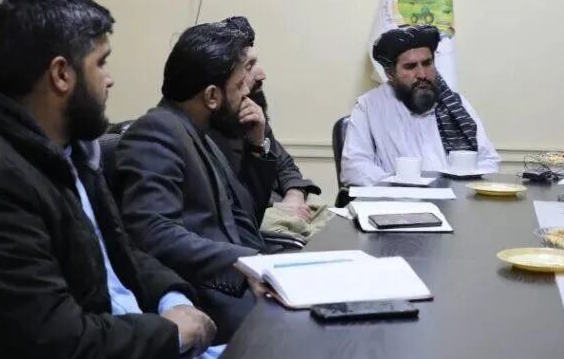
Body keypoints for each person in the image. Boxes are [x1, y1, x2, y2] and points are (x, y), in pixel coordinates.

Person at [0, 0, 219, 359]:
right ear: (61, 74)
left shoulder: (65, 152)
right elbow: (60, 348)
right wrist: (172, 333)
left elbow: (117, 255)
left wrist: (172, 299)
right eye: (101, 62)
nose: (109, 79)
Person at [114, 22, 277, 343]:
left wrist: (257, 147)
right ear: (212, 96)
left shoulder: (197, 132)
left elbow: (246, 219)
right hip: (206, 298)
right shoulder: (155, 132)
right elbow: (153, 232)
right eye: (239, 84)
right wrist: (241, 260)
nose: (247, 92)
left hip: (242, 285)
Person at [342, 25, 500, 186]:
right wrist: (399, 185)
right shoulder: (369, 106)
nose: (422, 74)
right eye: (410, 67)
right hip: (396, 198)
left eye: (427, 63)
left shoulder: (456, 105)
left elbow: (489, 161)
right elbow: (354, 168)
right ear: (390, 74)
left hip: (454, 196)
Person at [213, 15, 321, 222]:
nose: (261, 74)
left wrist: (294, 197)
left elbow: (285, 165)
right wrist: (279, 210)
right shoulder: (211, 128)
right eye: (249, 66)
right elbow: (236, 203)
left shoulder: (253, 113)